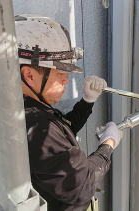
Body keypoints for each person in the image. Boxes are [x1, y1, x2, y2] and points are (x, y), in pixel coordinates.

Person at [15, 14, 123, 211]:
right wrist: (108, 145)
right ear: (29, 75)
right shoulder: (34, 125)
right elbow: (83, 184)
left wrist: (87, 101)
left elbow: (62, 132)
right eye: (60, 73)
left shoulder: (29, 109)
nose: (66, 80)